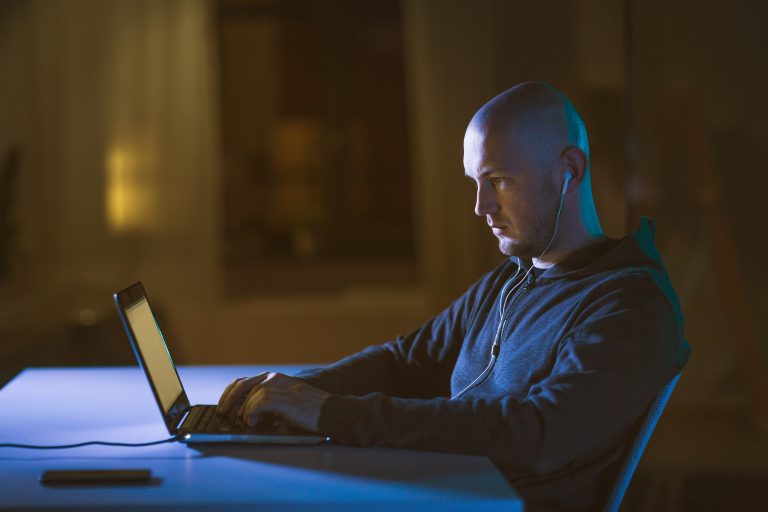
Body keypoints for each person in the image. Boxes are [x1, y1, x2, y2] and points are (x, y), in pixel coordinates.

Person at [217, 81, 690, 511]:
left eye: (500, 180)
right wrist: (297, 391)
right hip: (439, 490)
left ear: (570, 169)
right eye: (476, 183)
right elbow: (406, 362)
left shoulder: (630, 305)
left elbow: (538, 432)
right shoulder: (512, 279)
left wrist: (328, 412)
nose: (481, 207)